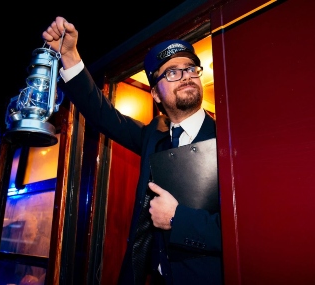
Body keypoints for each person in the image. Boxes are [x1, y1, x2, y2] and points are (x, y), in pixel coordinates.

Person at [43, 17, 223, 285]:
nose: (185, 76)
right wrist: (69, 55)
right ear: (156, 94)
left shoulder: (230, 139)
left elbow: (249, 230)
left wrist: (177, 218)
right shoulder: (153, 136)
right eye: (172, 72)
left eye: (190, 69)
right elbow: (101, 114)